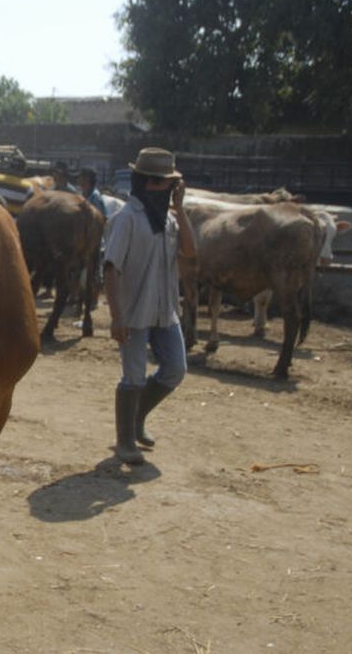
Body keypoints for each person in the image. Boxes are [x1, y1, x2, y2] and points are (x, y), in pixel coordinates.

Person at [102, 147, 196, 465]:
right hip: (133, 312)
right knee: (133, 377)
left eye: (168, 183)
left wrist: (180, 210)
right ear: (142, 181)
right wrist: (117, 317)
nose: (162, 188)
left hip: (165, 310)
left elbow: (191, 252)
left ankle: (136, 418)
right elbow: (111, 268)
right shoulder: (125, 219)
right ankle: (125, 440)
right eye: (156, 181)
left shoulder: (169, 220)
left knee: (175, 370)